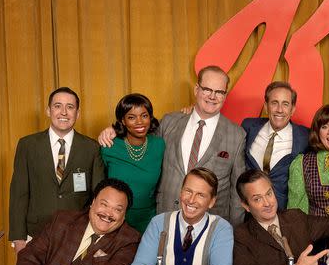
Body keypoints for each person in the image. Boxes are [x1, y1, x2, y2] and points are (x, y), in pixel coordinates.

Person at [99, 65, 246, 226]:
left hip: (210, 223)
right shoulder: (169, 122)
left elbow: (237, 190)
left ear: (225, 95)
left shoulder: (237, 135)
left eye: (219, 92)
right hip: (165, 216)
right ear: (197, 89)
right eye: (207, 89)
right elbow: (139, 136)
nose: (212, 96)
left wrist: (235, 230)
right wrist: (115, 129)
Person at [9, 87, 105, 254]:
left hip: (78, 237)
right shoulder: (28, 145)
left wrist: (96, 236)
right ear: (48, 110)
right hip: (35, 235)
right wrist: (18, 239)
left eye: (70, 107)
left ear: (78, 113)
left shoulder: (91, 148)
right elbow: (19, 194)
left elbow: (98, 196)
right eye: (57, 106)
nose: (64, 112)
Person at [14, 178, 140, 265]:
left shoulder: (129, 239)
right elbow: (30, 254)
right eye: (104, 204)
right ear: (92, 203)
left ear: (124, 216)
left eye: (117, 210)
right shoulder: (62, 220)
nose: (108, 213)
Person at [233, 169, 329, 265]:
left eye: (269, 193)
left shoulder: (295, 217)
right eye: (257, 199)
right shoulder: (242, 234)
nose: (267, 203)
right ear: (246, 205)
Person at [129, 167, 233, 265]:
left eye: (200, 195)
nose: (191, 200)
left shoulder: (221, 228)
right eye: (188, 191)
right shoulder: (159, 223)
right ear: (180, 192)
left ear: (212, 201)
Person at [101, 93, 165, 233]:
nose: (139, 122)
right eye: (131, 117)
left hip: (148, 220)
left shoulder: (159, 145)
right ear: (122, 121)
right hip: (115, 219)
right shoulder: (109, 146)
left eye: (144, 115)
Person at [241, 82, 309, 210]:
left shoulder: (305, 137)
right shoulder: (248, 126)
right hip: (249, 213)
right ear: (266, 106)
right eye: (274, 103)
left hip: (284, 214)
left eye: (285, 104)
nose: (279, 109)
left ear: (292, 109)